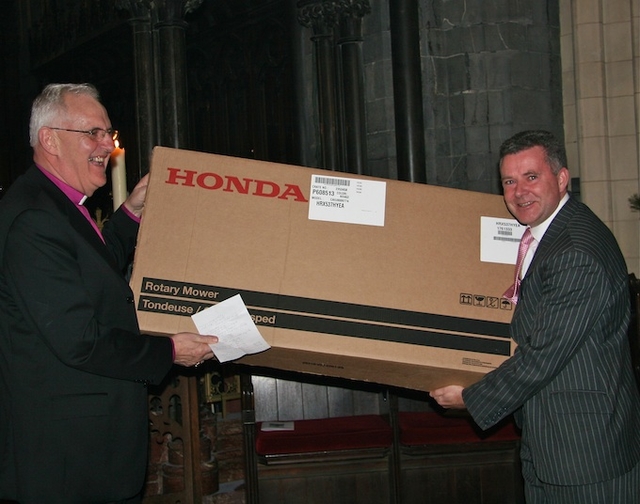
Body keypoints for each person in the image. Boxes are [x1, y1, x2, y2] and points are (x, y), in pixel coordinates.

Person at [0, 83, 219, 504]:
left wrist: (131, 214)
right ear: (50, 139)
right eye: (93, 134)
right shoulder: (34, 219)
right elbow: (79, 341)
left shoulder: (57, 204)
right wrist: (168, 351)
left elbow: (92, 273)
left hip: (86, 450)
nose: (107, 145)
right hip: (68, 460)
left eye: (108, 133)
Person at [430, 130, 640, 502]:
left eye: (531, 177)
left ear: (561, 178)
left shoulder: (574, 251)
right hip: (552, 438)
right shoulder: (548, 234)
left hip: (586, 453)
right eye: (509, 181)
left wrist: (471, 397)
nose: (518, 192)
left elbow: (544, 354)